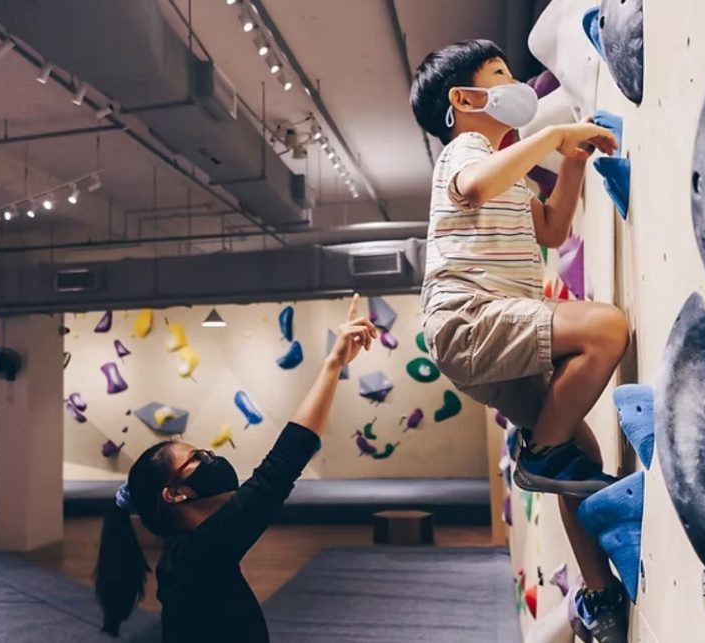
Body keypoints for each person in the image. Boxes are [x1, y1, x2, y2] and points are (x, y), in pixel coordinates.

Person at [411, 39, 630, 641]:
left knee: (577, 456)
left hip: (491, 327)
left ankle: (599, 596)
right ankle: (539, 454)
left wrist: (573, 162)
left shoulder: (505, 170)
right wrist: (552, 137)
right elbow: (475, 188)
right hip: (470, 319)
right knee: (607, 328)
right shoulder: (465, 152)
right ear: (464, 99)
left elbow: (554, 229)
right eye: (501, 75)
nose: (516, 85)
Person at [94, 295, 378, 643]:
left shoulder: (190, 554)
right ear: (175, 493)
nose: (210, 460)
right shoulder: (197, 555)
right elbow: (278, 471)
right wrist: (333, 364)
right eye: (197, 458)